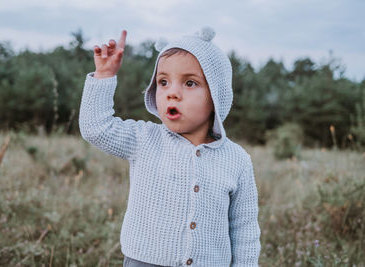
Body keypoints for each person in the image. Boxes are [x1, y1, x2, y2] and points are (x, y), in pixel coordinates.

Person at [79, 26, 261, 267]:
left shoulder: (237, 159)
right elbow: (96, 127)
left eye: (190, 83)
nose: (172, 93)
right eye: (163, 82)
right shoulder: (144, 139)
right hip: (144, 261)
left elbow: (244, 228)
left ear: (216, 96)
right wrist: (104, 75)